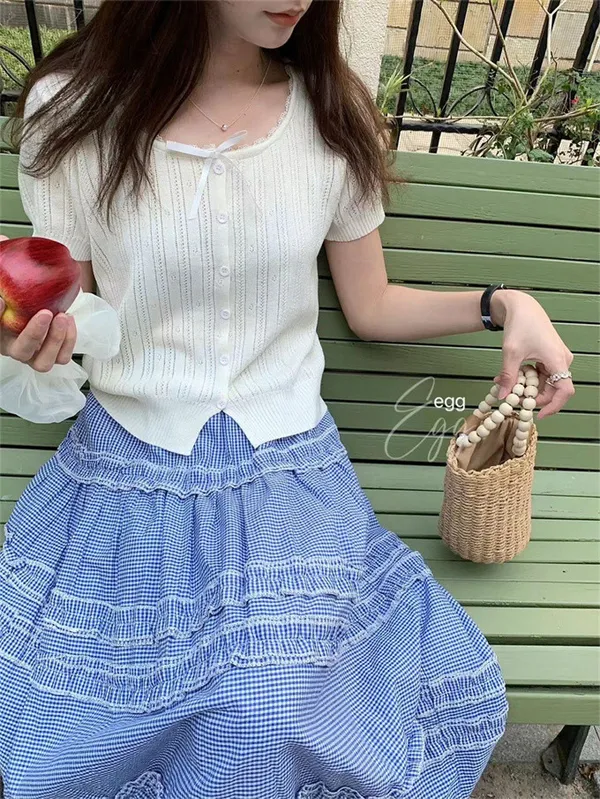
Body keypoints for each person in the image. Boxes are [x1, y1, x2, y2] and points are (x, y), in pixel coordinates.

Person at [0, 1, 575, 797]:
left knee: (267, 707)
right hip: (130, 466)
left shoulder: (329, 112)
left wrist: (505, 305)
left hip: (288, 470)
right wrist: (31, 347)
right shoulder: (74, 110)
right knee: (93, 716)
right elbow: (67, 312)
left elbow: (371, 304)